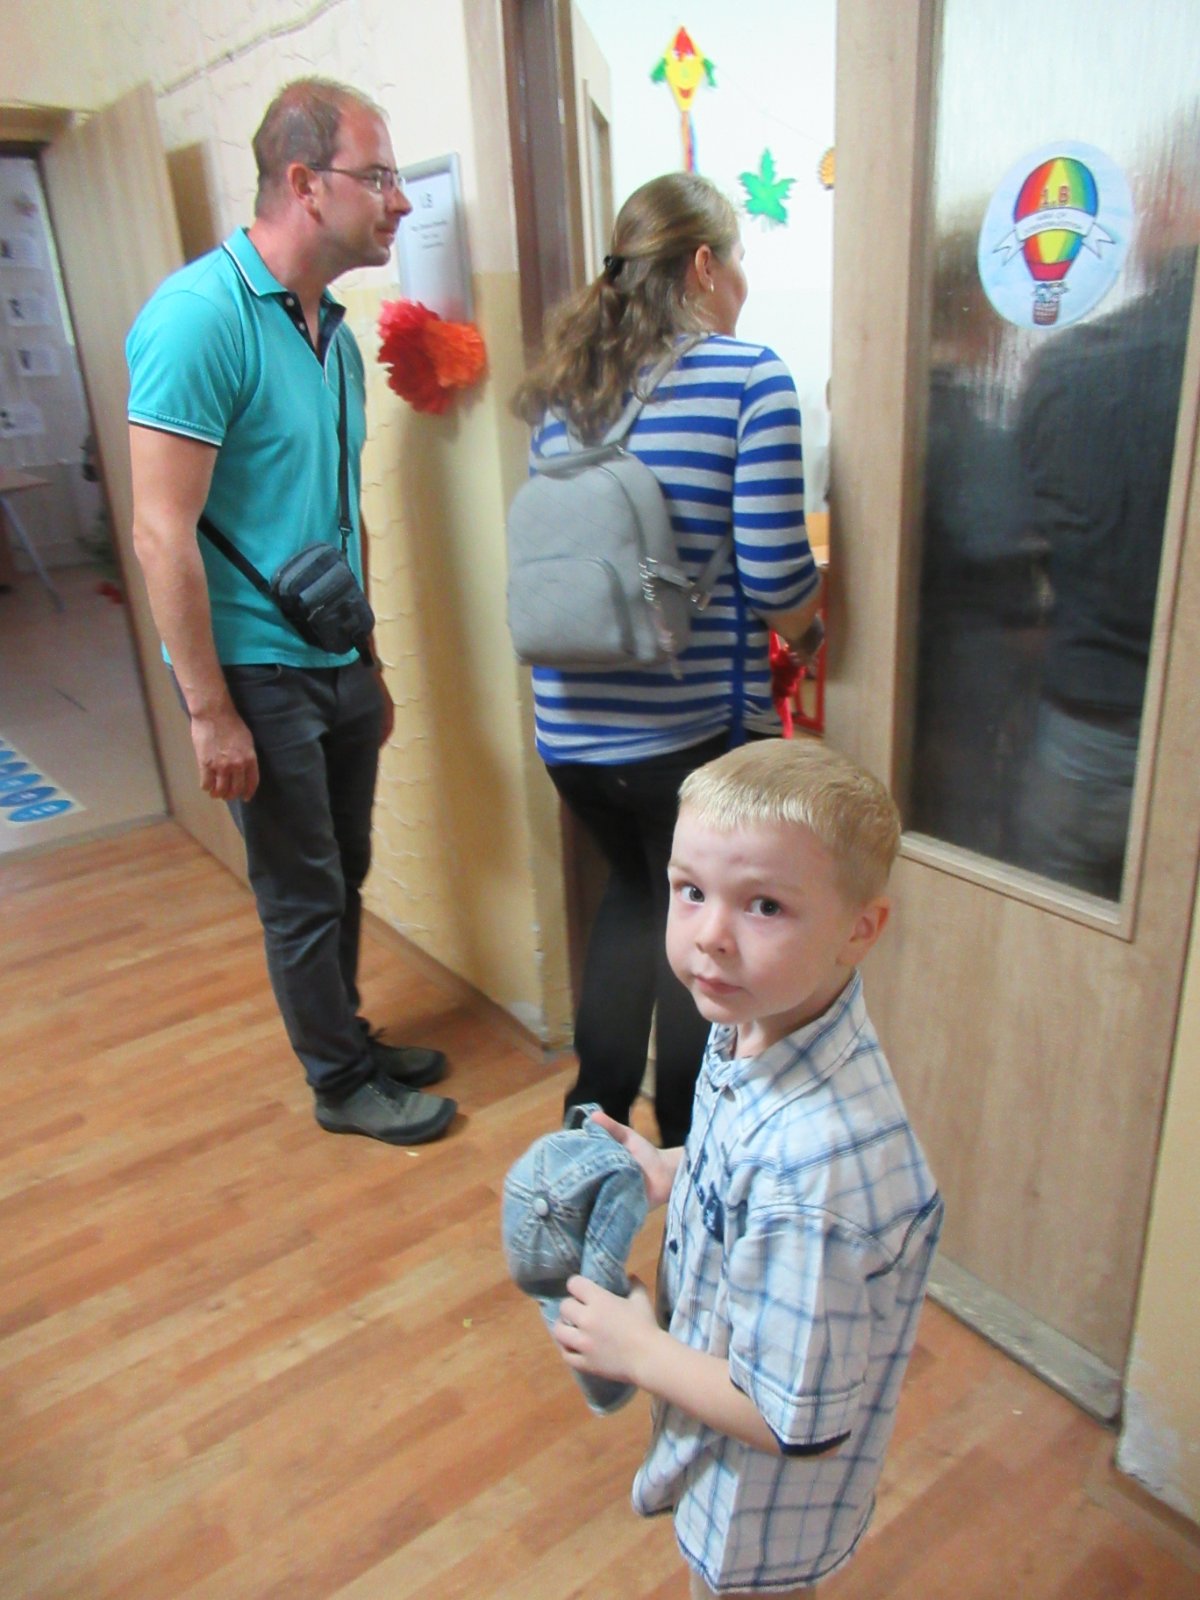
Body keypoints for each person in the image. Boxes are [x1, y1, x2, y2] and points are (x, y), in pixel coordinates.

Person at [125, 78, 456, 1145]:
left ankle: (347, 1035)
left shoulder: (336, 338)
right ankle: (340, 1083)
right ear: (306, 183)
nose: (400, 200)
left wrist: (371, 662)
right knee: (302, 889)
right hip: (253, 671)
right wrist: (208, 710)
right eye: (381, 176)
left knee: (343, 869)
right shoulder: (198, 319)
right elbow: (161, 531)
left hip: (334, 656)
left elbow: (339, 516)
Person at [551, 737, 943, 1596]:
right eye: (690, 891)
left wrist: (638, 1350)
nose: (710, 937)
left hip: (758, 1518)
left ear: (861, 928)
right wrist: (673, 1169)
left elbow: (791, 1416)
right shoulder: (761, 1016)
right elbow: (742, 1155)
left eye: (764, 905)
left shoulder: (814, 1178)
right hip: (717, 1448)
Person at [513, 173, 822, 1147]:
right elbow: (776, 574)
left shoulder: (566, 391)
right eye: (737, 260)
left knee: (637, 898)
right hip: (688, 736)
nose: (742, 283)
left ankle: (589, 1136)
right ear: (702, 264)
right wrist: (816, 634)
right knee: (707, 933)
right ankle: (688, 1145)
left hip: (569, 734)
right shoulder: (749, 378)